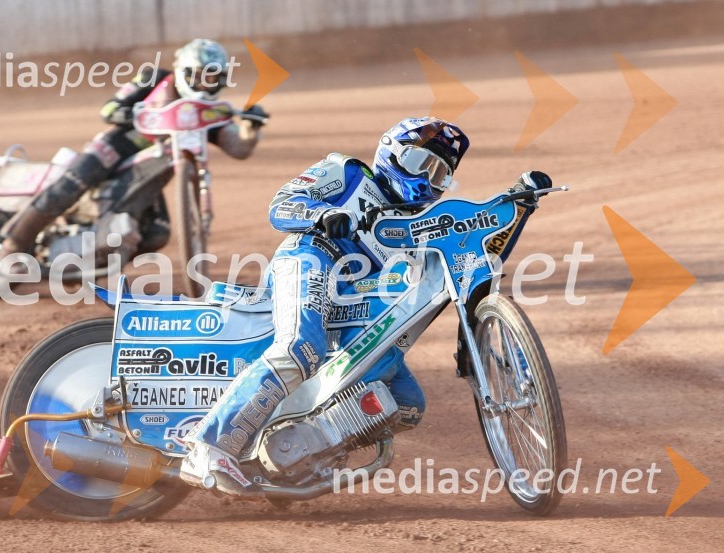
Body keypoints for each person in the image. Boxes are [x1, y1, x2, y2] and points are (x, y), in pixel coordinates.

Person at [180, 115, 552, 495]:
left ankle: (289, 457)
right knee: (299, 348)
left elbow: (477, 252)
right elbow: (282, 205)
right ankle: (209, 448)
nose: (426, 178)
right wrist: (322, 214)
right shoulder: (347, 172)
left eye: (439, 173)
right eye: (419, 163)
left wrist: (519, 207)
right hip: (312, 256)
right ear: (391, 152)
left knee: (406, 402)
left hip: (359, 300)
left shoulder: (422, 222)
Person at [0, 38, 267, 265]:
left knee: (157, 234)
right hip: (118, 147)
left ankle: (92, 261)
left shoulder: (205, 113)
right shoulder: (154, 78)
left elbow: (239, 148)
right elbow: (109, 109)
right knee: (73, 183)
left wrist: (251, 127)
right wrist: (129, 113)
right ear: (184, 71)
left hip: (150, 172)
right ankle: (13, 246)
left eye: (212, 77)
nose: (205, 83)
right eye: (199, 75)